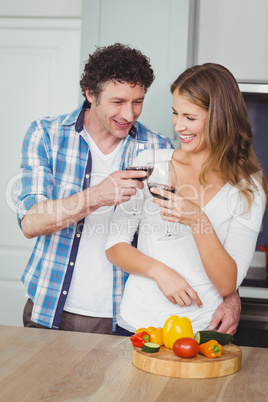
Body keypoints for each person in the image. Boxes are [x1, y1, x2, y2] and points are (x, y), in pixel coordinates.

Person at [15, 43, 241, 334]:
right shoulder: (46, 135)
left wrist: (230, 296)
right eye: (118, 101)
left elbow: (182, 238)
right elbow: (30, 222)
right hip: (47, 307)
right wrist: (97, 195)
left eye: (138, 102)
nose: (129, 113)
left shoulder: (158, 148)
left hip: (122, 317)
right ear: (90, 93)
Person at [105, 63, 268, 336]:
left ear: (220, 118)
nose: (179, 126)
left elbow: (227, 283)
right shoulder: (150, 164)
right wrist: (160, 271)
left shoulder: (248, 188)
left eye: (190, 117)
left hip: (203, 332)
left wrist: (197, 219)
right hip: (137, 326)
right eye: (175, 113)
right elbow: (114, 245)